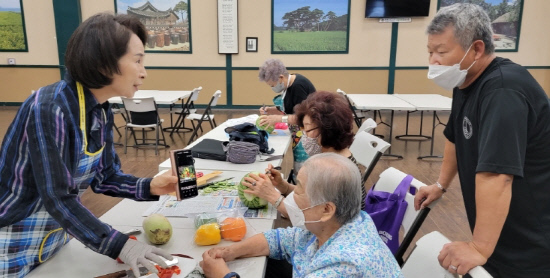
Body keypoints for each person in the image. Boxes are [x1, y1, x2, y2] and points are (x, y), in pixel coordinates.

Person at [0, 13, 177, 278]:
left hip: (55, 235)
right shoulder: (49, 108)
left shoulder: (101, 109)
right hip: (12, 240)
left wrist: (149, 186)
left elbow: (105, 177)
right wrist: (119, 245)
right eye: (137, 60)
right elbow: (57, 196)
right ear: (105, 64)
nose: (144, 72)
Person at [415, 4, 550, 277]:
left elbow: (497, 175)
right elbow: (455, 135)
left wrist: (478, 247)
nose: (434, 61)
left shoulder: (503, 91)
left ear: (476, 49)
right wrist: (441, 184)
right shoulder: (466, 81)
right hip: (501, 230)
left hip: (532, 238)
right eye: (430, 52)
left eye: (441, 52)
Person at [200, 153, 403, 278]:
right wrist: (231, 252)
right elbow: (280, 240)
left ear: (326, 209)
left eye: (299, 190)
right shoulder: (334, 225)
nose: (291, 196)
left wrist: (224, 276)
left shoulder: (343, 264)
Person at [242, 91, 366, 218]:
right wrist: (282, 186)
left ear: (328, 130)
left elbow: (304, 216)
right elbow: (310, 197)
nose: (304, 136)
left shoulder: (335, 171)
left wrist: (270, 195)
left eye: (308, 130)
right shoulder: (334, 157)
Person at [257, 59, 316, 172]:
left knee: (304, 171)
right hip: (298, 134)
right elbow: (290, 108)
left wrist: (278, 119)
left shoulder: (298, 86)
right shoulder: (289, 84)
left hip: (308, 136)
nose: (273, 88)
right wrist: (270, 110)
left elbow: (303, 118)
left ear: (280, 77)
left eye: (272, 85)